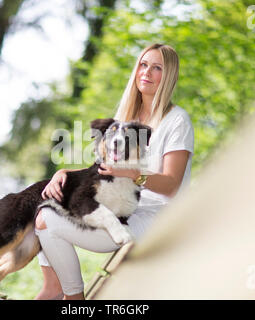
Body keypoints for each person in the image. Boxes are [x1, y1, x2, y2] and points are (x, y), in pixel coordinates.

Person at [34, 43, 194, 300]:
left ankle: (73, 298)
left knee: (47, 220)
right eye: (143, 65)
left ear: (169, 76)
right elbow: (102, 169)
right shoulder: (126, 115)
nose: (147, 72)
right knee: (48, 202)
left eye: (157, 68)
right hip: (119, 201)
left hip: (154, 215)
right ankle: (54, 289)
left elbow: (172, 185)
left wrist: (133, 175)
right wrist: (63, 171)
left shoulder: (177, 121)